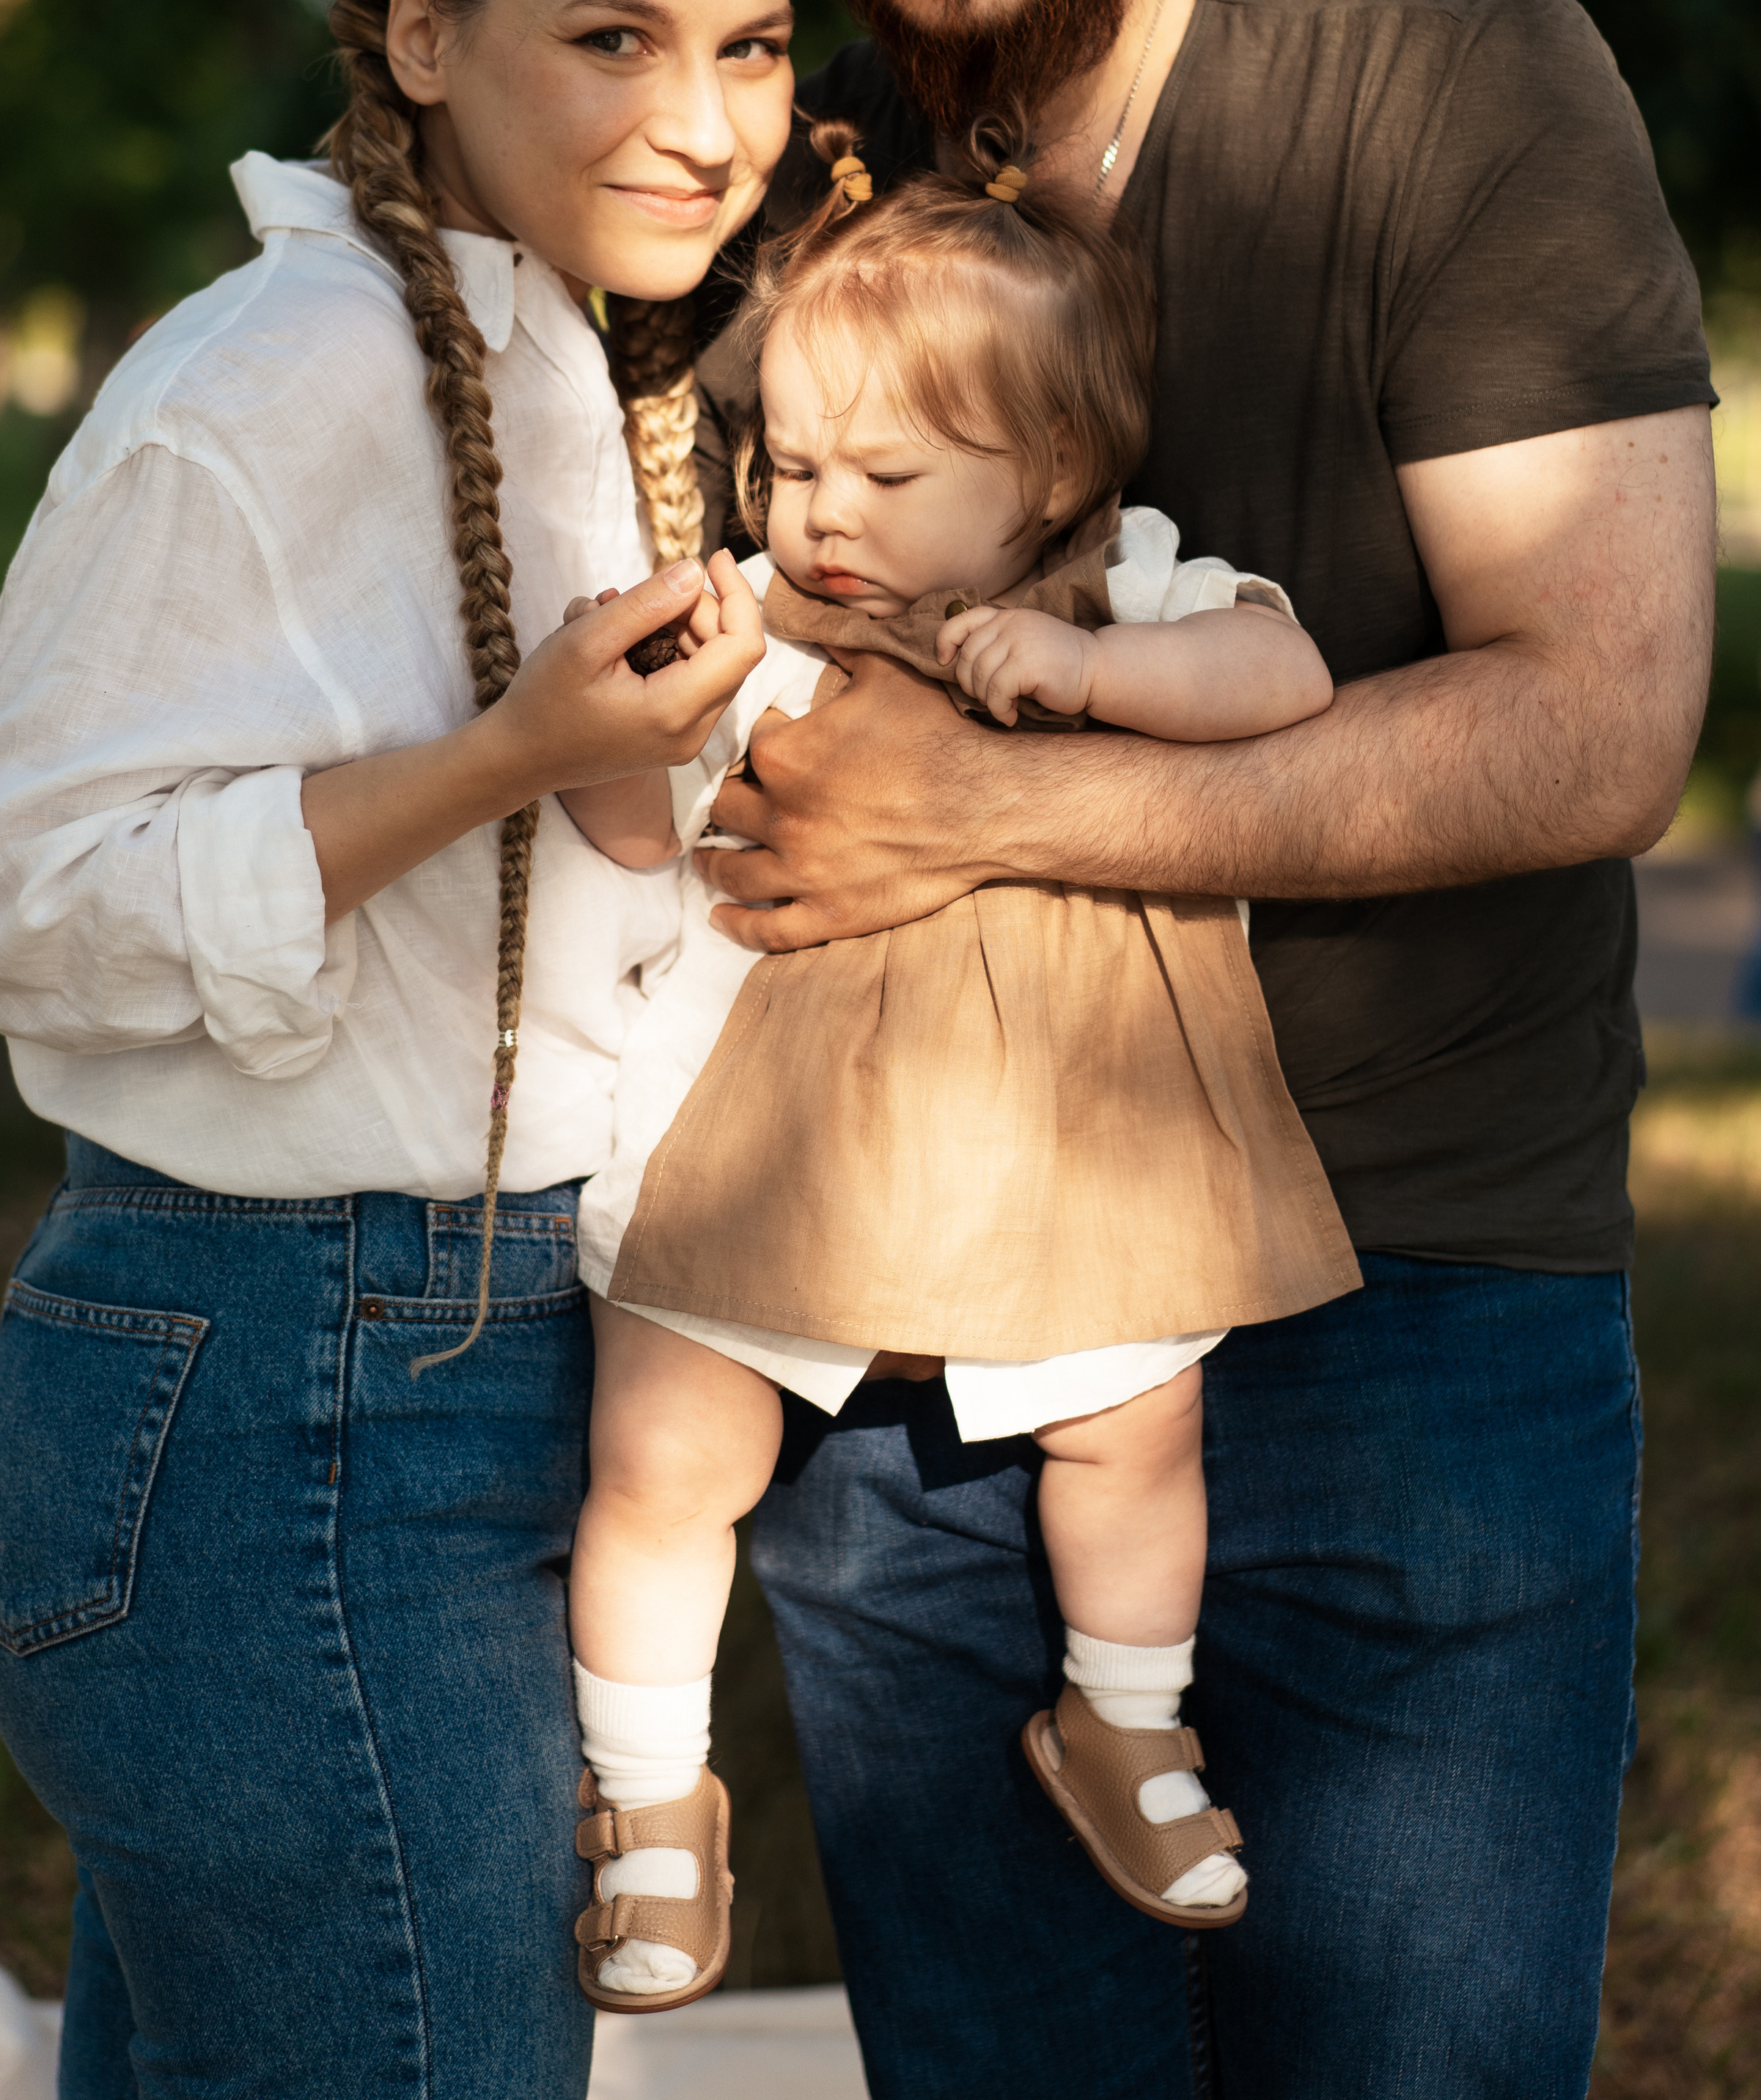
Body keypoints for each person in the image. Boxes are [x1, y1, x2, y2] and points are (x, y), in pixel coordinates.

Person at [681, 0, 1717, 2099]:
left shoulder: (1452, 80)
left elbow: (1601, 716)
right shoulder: (753, 186)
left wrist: (1011, 801)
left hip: (1413, 1322)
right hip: (901, 1343)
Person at [0, 0, 781, 2100]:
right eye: (613, 37)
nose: (701, 118)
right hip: (278, 1415)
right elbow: (26, 905)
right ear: (423, 33)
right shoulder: (284, 371)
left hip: (425, 1389)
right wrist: (510, 759)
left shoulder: (552, 371)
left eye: (748, 41)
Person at [562, 111, 1348, 2008]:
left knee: (1131, 1425)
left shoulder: (1122, 594)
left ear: (1051, 472)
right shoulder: (758, 625)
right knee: (665, 1450)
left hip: (1061, 1155)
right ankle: (649, 1791)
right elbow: (629, 839)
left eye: (888, 471)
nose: (822, 509)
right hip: (766, 1138)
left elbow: (1287, 681)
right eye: (794, 461)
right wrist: (607, 721)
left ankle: (1124, 1717)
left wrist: (1087, 680)